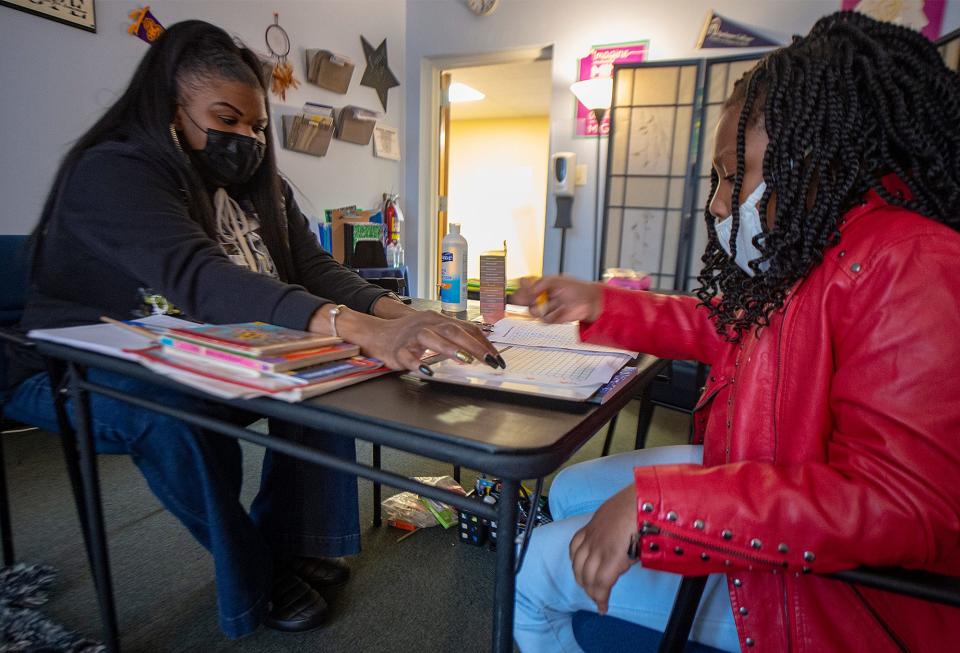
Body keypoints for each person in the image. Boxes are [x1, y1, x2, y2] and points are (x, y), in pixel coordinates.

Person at [3, 21, 501, 637]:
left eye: (257, 125)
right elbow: (198, 278)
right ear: (169, 110)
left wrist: (406, 317)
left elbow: (313, 267)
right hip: (74, 366)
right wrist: (351, 325)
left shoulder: (256, 187)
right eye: (226, 119)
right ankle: (256, 571)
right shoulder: (115, 172)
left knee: (333, 376)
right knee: (173, 413)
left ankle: (298, 539)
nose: (246, 138)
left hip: (199, 351)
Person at [512, 11, 960, 652]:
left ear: (813, 160)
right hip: (766, 471)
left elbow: (900, 502)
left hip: (830, 595)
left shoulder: (911, 261)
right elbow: (723, 328)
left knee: (534, 571)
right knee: (570, 489)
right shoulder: (823, 251)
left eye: (733, 176)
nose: (720, 205)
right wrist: (599, 303)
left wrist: (661, 508)